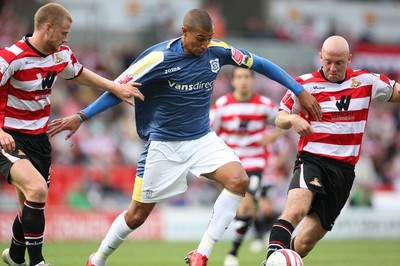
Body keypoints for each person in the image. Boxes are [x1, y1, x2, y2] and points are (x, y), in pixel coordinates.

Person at [47, 9, 321, 266]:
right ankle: (98, 259)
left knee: (239, 180)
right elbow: (117, 90)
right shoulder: (157, 58)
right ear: (184, 32)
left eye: (209, 39)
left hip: (202, 139)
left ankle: (201, 254)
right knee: (136, 215)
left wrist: (298, 90)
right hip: (163, 145)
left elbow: (260, 64)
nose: (205, 45)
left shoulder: (217, 52)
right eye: (200, 39)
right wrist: (82, 116)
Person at [0, 3, 143, 266]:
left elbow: (78, 74)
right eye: (63, 33)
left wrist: (115, 86)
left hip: (40, 139)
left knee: (30, 203)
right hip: (9, 137)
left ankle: (16, 256)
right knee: (36, 189)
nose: (66, 38)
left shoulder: (61, 54)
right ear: (47, 28)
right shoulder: (11, 57)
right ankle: (37, 262)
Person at [261, 35, 400, 265]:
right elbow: (279, 117)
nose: (333, 68)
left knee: (305, 243)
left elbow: (396, 92)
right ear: (320, 57)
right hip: (312, 159)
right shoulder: (304, 84)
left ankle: (277, 261)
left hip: (344, 171)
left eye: (339, 63)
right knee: (295, 211)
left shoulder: (366, 81)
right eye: (328, 62)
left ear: (349, 59)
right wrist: (293, 120)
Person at [209, 67, 285, 266]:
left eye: (246, 77)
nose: (243, 81)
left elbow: (285, 122)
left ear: (252, 81)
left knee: (247, 204)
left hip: (255, 162)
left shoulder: (265, 105)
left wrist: (271, 136)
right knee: (237, 209)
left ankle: (233, 251)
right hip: (230, 162)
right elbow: (208, 131)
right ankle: (247, 237)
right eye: (239, 77)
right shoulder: (223, 105)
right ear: (233, 81)